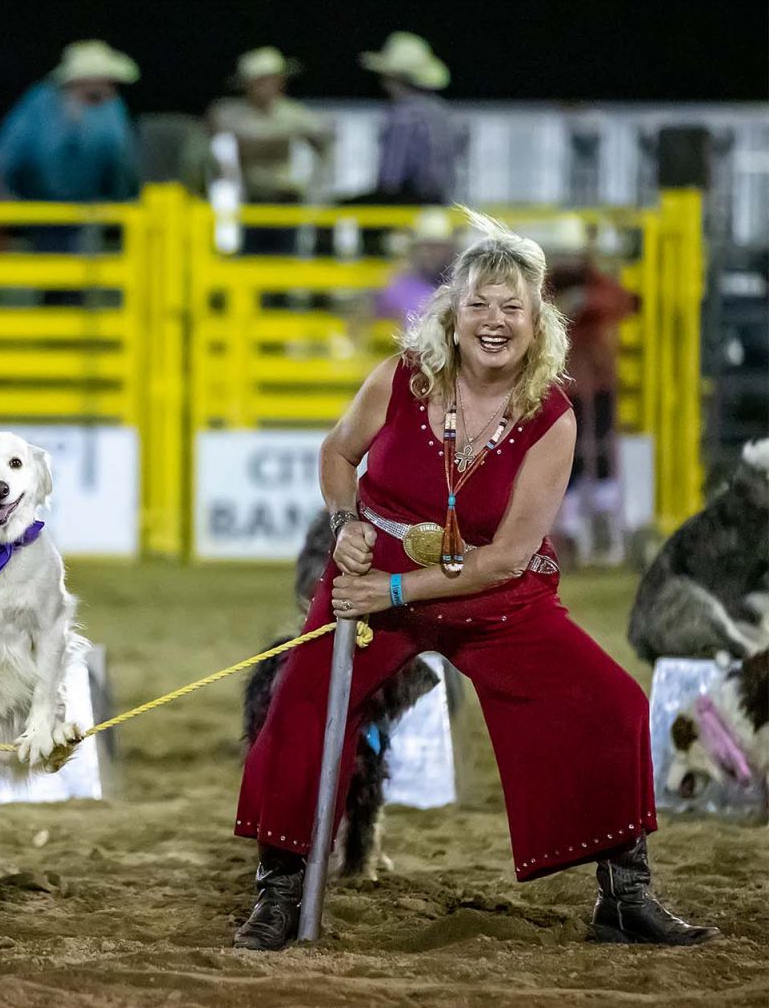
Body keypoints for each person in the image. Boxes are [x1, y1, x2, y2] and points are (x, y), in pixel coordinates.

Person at [231, 210, 718, 951]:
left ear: (537, 320)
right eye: (479, 304)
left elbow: (508, 559)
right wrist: (344, 524)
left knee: (614, 704)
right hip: (376, 565)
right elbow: (337, 454)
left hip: (485, 588)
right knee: (296, 708)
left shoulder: (552, 414)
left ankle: (625, 897)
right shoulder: (400, 377)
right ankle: (279, 891)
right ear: (452, 314)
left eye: (512, 307)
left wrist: (393, 594)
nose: (495, 321)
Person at [547, 216, 636, 566]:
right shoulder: (545, 288)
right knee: (563, 459)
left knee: (599, 453)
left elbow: (622, 301)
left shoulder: (594, 285)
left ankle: (600, 527)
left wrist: (584, 299)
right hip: (559, 386)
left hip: (594, 383)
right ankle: (569, 532)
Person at [0, 40, 141, 208]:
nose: (108, 88)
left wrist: (120, 202)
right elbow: (4, 155)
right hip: (38, 211)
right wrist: (7, 201)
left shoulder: (111, 108)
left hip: (91, 212)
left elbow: (125, 163)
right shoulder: (40, 103)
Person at [203, 46, 333, 206]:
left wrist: (318, 191)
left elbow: (326, 146)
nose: (267, 86)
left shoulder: (296, 116)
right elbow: (207, 150)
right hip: (245, 198)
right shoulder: (227, 114)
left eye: (273, 79)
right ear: (246, 84)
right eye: (260, 81)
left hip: (287, 197)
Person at [359, 32, 459, 205]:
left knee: (333, 214)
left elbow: (390, 181)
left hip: (408, 205)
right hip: (444, 203)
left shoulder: (402, 116)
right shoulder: (447, 114)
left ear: (394, 79)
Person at [375, 207, 456, 326]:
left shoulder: (462, 287)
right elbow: (364, 312)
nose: (431, 253)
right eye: (425, 246)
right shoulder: (400, 286)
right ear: (415, 249)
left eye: (437, 247)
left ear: (448, 249)